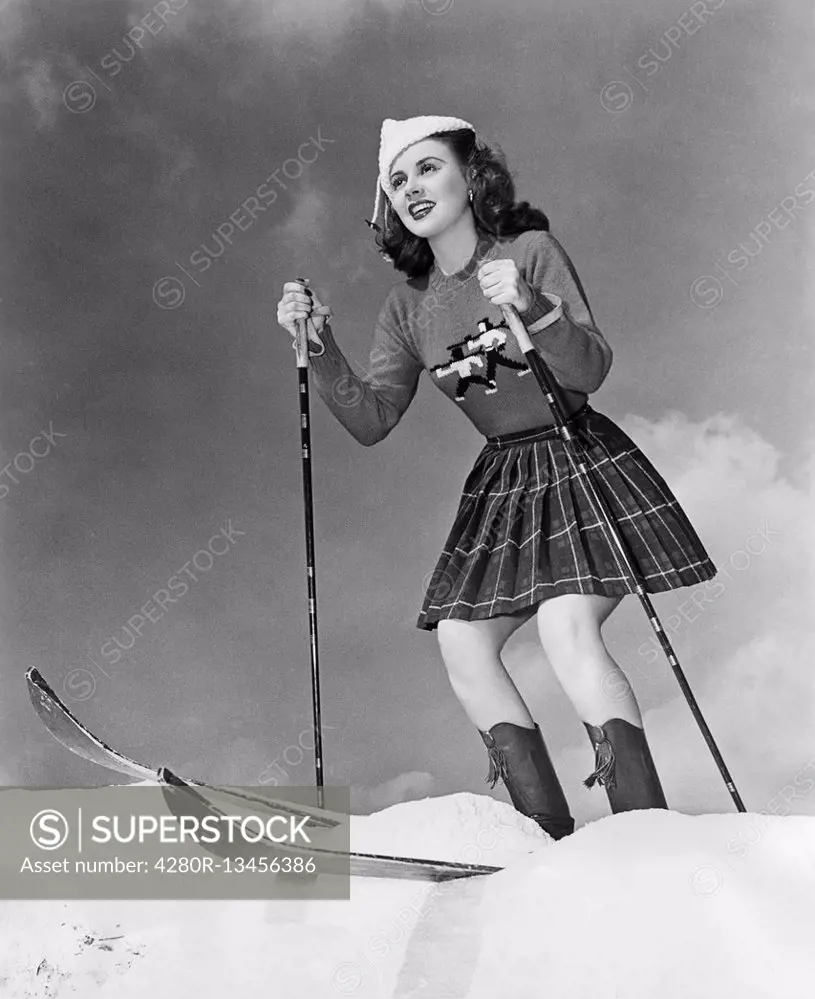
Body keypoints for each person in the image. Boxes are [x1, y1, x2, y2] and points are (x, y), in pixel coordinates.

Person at [276, 115, 717, 840]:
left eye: (426, 168)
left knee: (565, 627)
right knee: (461, 639)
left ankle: (643, 830)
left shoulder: (528, 251)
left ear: (470, 175)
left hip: (576, 458)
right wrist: (316, 346)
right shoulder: (406, 308)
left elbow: (587, 372)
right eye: (396, 180)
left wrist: (529, 304)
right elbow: (372, 418)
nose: (411, 188)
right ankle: (543, 830)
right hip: (503, 487)